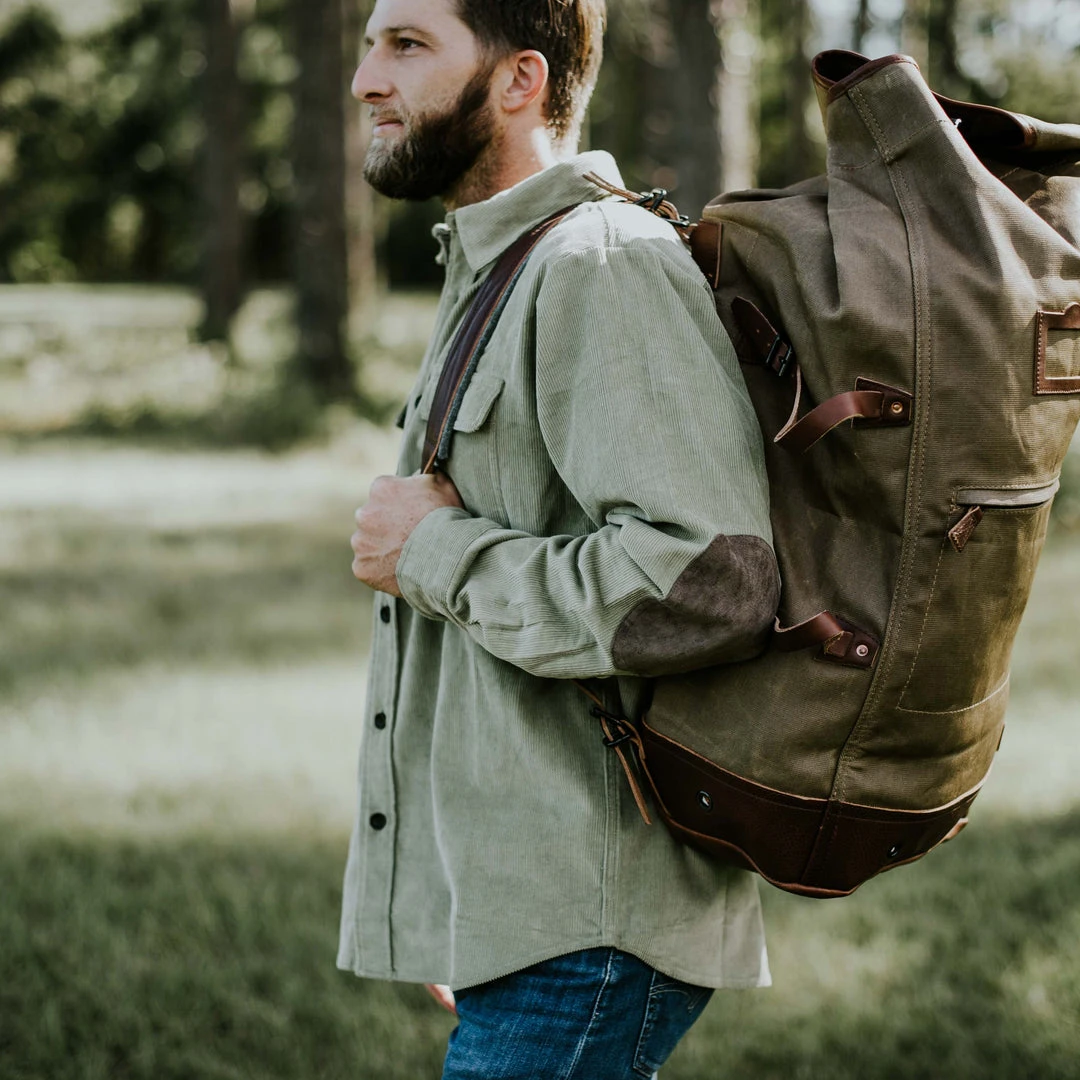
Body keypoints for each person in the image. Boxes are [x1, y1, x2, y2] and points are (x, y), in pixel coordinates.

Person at [343, 1, 779, 1076]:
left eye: (406, 45)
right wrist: (468, 899)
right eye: (368, 44)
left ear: (519, 80)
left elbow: (708, 579)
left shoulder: (601, 262)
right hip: (530, 917)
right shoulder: (499, 263)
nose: (365, 80)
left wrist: (432, 552)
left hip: (594, 931)